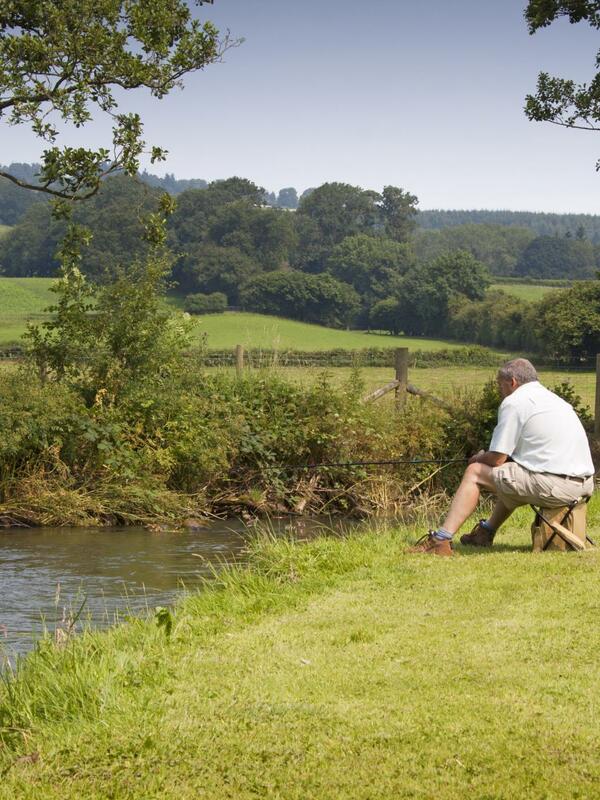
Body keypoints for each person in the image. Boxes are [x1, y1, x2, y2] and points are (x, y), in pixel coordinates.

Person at [410, 358, 595, 556]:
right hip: (583, 486)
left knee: (475, 473)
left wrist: (478, 458)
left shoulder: (515, 402)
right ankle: (486, 532)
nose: (500, 390)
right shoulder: (555, 400)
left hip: (557, 487)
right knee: (509, 476)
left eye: (500, 385)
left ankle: (441, 540)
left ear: (512, 382)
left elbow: (498, 458)